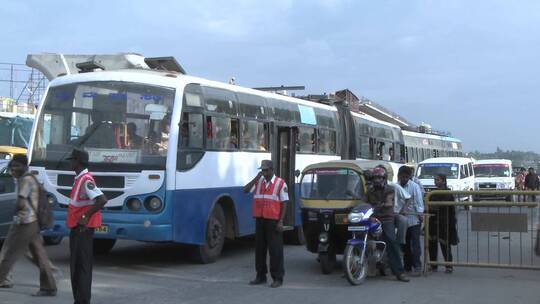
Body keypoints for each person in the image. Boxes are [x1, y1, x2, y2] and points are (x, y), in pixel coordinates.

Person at [0, 154, 57, 296]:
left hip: (24, 222)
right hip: (33, 222)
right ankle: (49, 287)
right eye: (13, 166)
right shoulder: (31, 178)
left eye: (17, 166)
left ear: (25, 166)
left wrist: (17, 209)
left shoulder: (24, 180)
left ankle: (2, 279)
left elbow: (21, 201)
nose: (14, 169)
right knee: (39, 255)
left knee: (9, 252)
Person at [66, 148, 108, 304]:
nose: (70, 163)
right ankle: (80, 299)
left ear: (77, 161)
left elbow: (102, 200)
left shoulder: (86, 180)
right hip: (77, 228)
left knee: (81, 267)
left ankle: (82, 300)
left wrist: (85, 216)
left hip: (82, 229)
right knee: (77, 267)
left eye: (71, 160)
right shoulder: (79, 179)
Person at [243, 160, 289, 288]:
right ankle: (260, 276)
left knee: (275, 251)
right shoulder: (258, 182)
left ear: (272, 170)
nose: (263, 172)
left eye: (265, 170)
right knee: (260, 250)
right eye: (262, 170)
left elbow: (284, 202)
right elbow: (245, 190)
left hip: (273, 221)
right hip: (260, 219)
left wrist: (281, 221)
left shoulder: (280, 183)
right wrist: (256, 178)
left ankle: (278, 278)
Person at [366, 167, 409, 282]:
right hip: (373, 218)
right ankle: (353, 267)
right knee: (361, 237)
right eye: (375, 177)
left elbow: (388, 203)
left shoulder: (390, 189)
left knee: (392, 242)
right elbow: (364, 203)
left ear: (384, 178)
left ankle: (400, 272)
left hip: (386, 219)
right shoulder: (369, 191)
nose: (377, 180)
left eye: (379, 177)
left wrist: (375, 207)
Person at [396, 166, 424, 276]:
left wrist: (420, 215)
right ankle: (407, 266)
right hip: (401, 220)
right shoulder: (396, 186)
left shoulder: (414, 187)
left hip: (414, 219)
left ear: (409, 177)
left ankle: (417, 266)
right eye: (402, 177)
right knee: (405, 244)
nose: (404, 179)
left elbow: (418, 203)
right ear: (399, 176)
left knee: (415, 244)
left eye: (406, 177)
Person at [428, 174, 459, 273]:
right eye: (435, 179)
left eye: (438, 179)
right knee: (432, 243)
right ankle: (433, 265)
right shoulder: (432, 193)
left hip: (444, 221)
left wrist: (434, 206)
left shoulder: (448, 193)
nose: (435, 181)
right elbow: (429, 205)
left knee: (445, 244)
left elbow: (442, 206)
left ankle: (448, 266)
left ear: (443, 181)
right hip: (433, 220)